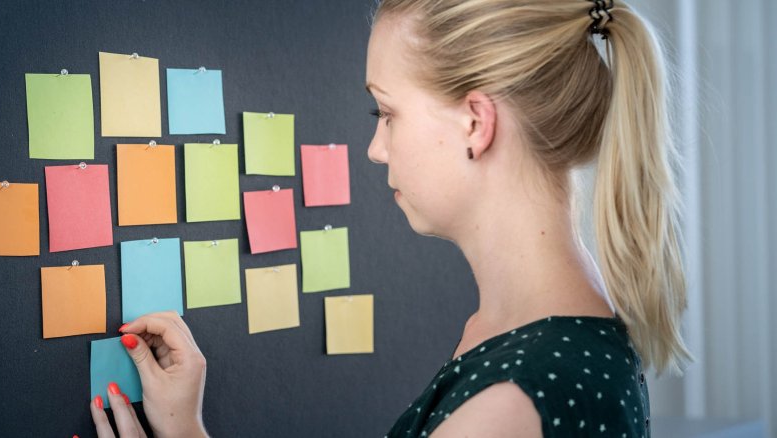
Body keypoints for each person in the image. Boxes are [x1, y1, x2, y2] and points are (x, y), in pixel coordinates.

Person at [88, 0, 691, 436]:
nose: (376, 147)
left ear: (475, 125)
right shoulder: (552, 327)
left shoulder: (503, 409)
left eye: (387, 112)